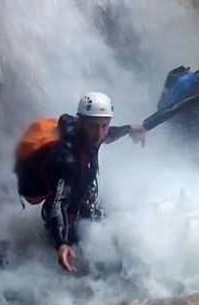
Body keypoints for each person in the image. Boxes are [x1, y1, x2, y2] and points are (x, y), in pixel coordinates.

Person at [14, 92, 146, 273]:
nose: (98, 133)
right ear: (80, 122)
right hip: (60, 210)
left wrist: (130, 129)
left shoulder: (93, 135)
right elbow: (56, 203)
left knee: (100, 224)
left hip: (77, 197)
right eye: (94, 127)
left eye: (103, 126)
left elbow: (110, 134)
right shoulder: (65, 157)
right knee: (78, 253)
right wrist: (61, 243)